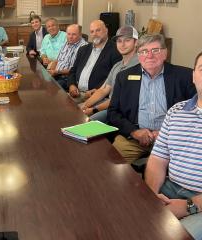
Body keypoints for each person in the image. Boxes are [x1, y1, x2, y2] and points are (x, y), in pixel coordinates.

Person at [107, 34, 196, 164]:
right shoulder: (124, 77)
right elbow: (113, 113)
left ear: (165, 53)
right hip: (134, 139)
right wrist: (134, 131)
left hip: (172, 140)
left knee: (179, 172)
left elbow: (196, 112)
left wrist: (166, 133)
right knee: (111, 165)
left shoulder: (185, 76)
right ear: (138, 55)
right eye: (144, 51)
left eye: (155, 50)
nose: (149, 56)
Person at [144, 52, 202, 240]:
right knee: (129, 215)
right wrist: (152, 194)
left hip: (199, 201)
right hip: (169, 187)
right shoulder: (176, 111)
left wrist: (189, 206)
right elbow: (158, 160)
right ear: (194, 75)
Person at [81, 25, 139, 122]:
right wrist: (84, 106)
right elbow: (103, 90)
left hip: (119, 111)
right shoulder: (117, 66)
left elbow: (118, 99)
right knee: (74, 112)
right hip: (106, 105)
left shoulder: (139, 66)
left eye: (127, 40)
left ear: (136, 42)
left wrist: (93, 110)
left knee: (85, 121)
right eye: (119, 41)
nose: (122, 44)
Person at [67, 20, 122, 103]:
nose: (95, 34)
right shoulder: (83, 49)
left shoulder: (116, 50)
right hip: (78, 93)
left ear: (106, 31)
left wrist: (96, 91)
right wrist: (72, 85)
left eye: (98, 30)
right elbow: (73, 70)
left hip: (97, 96)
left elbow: (113, 78)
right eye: (92, 31)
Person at [47, 24, 87, 89]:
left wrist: (56, 72)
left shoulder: (84, 47)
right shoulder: (66, 43)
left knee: (52, 88)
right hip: (57, 74)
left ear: (80, 34)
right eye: (68, 34)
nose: (70, 37)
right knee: (42, 82)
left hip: (68, 78)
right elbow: (57, 60)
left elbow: (75, 70)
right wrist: (50, 71)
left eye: (74, 34)